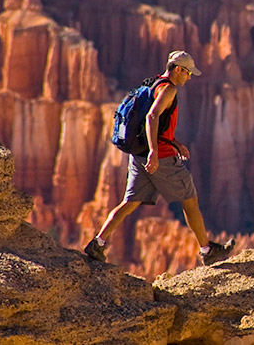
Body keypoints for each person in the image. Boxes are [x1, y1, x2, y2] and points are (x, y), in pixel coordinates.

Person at [85, 50, 235, 266]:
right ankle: (207, 250)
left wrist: (175, 142)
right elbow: (152, 116)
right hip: (161, 159)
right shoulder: (169, 89)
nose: (189, 77)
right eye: (188, 73)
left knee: (129, 202)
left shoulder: (154, 84)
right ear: (178, 70)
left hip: (139, 156)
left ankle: (97, 244)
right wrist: (156, 151)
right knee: (190, 199)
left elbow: (158, 124)